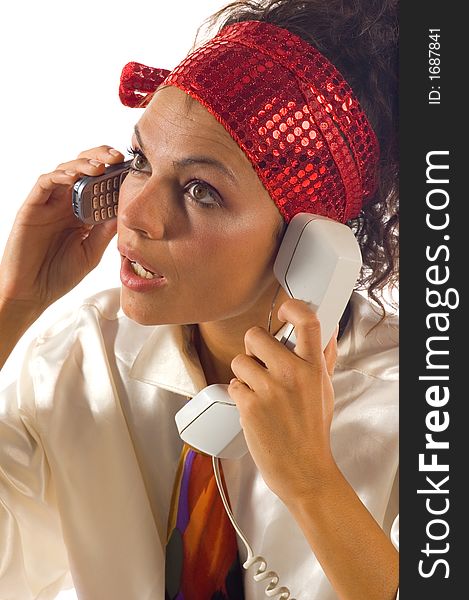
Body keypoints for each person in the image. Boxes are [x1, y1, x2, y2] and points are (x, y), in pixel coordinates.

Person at [0, 1, 399, 599]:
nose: (135, 214)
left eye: (200, 190)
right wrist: (11, 308)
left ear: (310, 241)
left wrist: (312, 481)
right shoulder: (77, 357)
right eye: (139, 161)